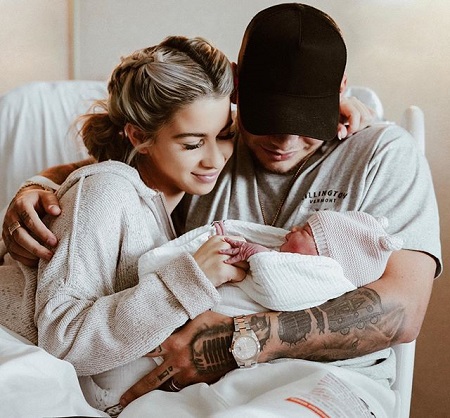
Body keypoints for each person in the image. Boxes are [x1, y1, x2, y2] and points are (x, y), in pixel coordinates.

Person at [1, 3, 441, 416]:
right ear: (236, 85)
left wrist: (239, 341)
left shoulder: (381, 153)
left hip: (331, 374)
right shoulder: (215, 146)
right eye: (266, 117)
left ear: (340, 90)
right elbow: (122, 172)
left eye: (305, 121)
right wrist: (37, 187)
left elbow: (402, 309)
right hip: (192, 383)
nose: (284, 142)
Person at [0, 35, 247, 415]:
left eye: (225, 135)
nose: (215, 158)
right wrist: (191, 279)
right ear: (139, 137)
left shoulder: (167, 204)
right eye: (193, 144)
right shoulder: (106, 190)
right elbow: (62, 339)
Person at [139, 211, 403, 314]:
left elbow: (277, 292)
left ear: (324, 258)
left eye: (307, 232)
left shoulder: (330, 278)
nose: (295, 227)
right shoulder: (293, 260)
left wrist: (255, 254)